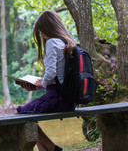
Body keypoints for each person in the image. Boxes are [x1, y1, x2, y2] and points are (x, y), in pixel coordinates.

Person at [16, 10, 77, 151]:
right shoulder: (66, 42)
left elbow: (51, 73)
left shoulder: (52, 42)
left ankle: (52, 147)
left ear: (47, 29)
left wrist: (42, 83)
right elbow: (59, 79)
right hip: (69, 100)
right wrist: (38, 87)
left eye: (41, 32)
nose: (42, 36)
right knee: (29, 118)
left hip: (57, 100)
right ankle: (49, 149)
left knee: (21, 115)